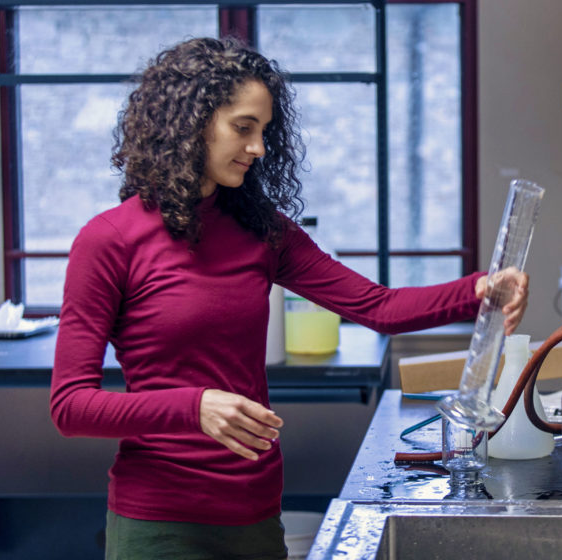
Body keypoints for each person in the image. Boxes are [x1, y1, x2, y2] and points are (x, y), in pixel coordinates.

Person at [49, 37, 529, 559]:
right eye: (243, 127)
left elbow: (378, 308)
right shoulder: (109, 240)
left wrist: (478, 290)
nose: (257, 148)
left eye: (264, 131)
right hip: (160, 520)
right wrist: (194, 407)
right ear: (190, 122)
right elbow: (71, 406)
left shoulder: (262, 231)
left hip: (255, 510)